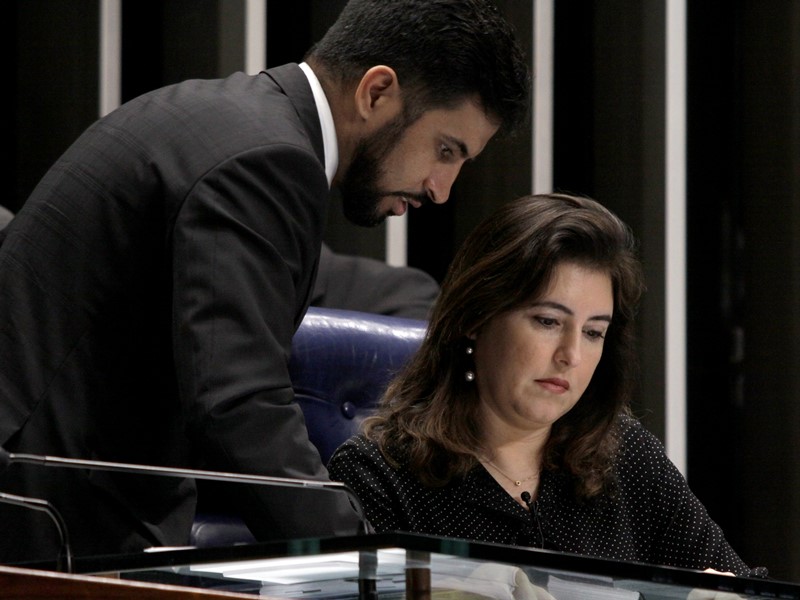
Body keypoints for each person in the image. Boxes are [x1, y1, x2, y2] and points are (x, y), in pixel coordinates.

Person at [0, 0, 530, 563]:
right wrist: (367, 563)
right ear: (376, 92)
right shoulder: (268, 159)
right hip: (37, 517)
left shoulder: (234, 117)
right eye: (445, 150)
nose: (441, 188)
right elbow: (238, 403)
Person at [328, 193, 768, 578]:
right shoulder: (380, 475)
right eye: (548, 322)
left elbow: (734, 583)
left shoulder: (626, 454)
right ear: (476, 318)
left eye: (594, 332)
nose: (571, 355)